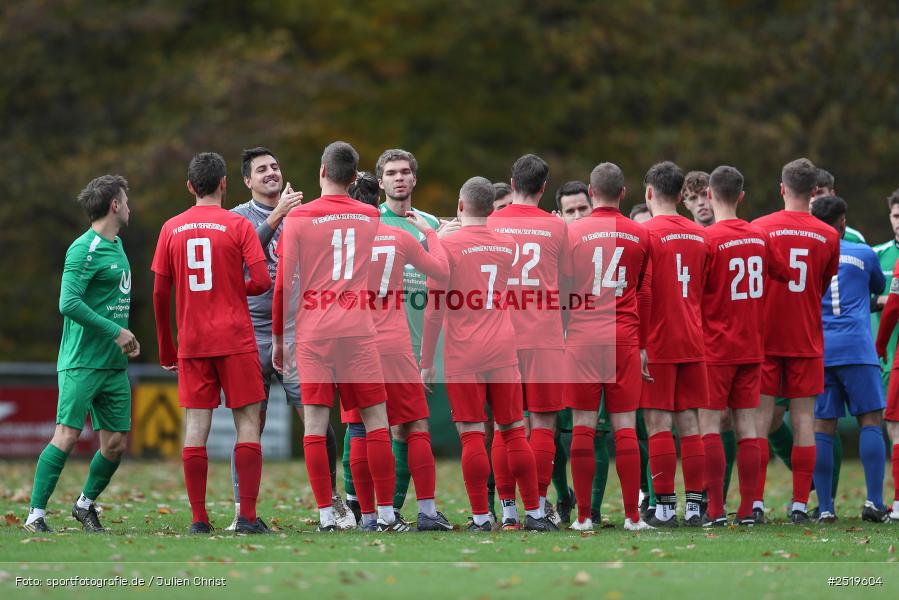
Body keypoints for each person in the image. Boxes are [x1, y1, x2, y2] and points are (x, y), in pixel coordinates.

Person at [273, 142, 403, 532]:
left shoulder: (298, 218)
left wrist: (280, 339)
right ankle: (383, 514)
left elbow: (283, 286)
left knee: (315, 424)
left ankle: (327, 515)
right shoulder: (369, 215)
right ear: (353, 177)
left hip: (313, 332)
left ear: (321, 172)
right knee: (376, 422)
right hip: (358, 331)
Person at [226, 147, 352, 531]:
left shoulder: (308, 214)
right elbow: (233, 265)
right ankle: (242, 511)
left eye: (275, 166)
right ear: (247, 181)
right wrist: (278, 215)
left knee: (316, 420)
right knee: (251, 426)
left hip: (299, 331)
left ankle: (332, 505)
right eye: (261, 169)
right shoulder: (236, 219)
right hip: (251, 331)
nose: (270, 172)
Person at [420, 176, 553, 532]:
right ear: (490, 209)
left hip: (464, 352)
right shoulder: (507, 243)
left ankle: (482, 517)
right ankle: (535, 514)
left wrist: (426, 360)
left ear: (461, 207)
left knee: (473, 435)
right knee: (514, 429)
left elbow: (434, 308)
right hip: (502, 346)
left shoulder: (447, 247)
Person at [152, 152, 271, 534]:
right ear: (224, 184)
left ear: (190, 186)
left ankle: (199, 520)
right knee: (248, 423)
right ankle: (247, 518)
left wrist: (166, 347)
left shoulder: (171, 228)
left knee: (195, 427)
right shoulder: (238, 224)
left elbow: (159, 292)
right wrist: (236, 287)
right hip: (236, 338)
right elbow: (262, 281)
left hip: (193, 341)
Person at [24, 175, 139, 534]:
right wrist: (116, 330)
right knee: (67, 435)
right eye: (126, 198)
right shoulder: (83, 248)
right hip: (82, 361)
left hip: (113, 365)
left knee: (116, 444)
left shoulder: (117, 244)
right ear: (114, 205)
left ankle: (84, 505)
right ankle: (35, 516)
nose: (129, 204)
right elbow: (68, 303)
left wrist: (123, 338)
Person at [342, 170, 453, 531]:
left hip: (353, 341)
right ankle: (426, 512)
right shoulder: (396, 237)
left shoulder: (340, 242)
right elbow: (440, 271)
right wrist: (431, 232)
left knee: (360, 429)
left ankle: (371, 516)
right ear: (378, 201)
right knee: (415, 426)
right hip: (394, 342)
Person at [564, 162, 654, 531]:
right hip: (623, 338)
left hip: (583, 339)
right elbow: (645, 292)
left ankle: (583, 517)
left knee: (582, 428)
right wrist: (644, 343)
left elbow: (564, 290)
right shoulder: (641, 233)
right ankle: (633, 516)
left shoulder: (572, 233)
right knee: (626, 428)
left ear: (590, 192)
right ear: (623, 193)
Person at [752, 158, 840, 524]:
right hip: (806, 337)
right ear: (815, 191)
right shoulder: (830, 235)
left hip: (767, 336)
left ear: (783, 188)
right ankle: (802, 504)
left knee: (757, 420)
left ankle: (753, 504)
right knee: (805, 419)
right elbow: (820, 284)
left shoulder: (759, 228)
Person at [488, 154, 567, 528]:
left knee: (506, 425)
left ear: (512, 182)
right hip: (545, 335)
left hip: (500, 336)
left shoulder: (491, 222)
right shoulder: (557, 226)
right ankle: (537, 507)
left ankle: (507, 510)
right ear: (544, 187)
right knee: (543, 425)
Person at [699, 166, 773, 526]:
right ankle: (748, 509)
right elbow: (778, 277)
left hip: (715, 347)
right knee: (747, 427)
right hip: (751, 345)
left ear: (710, 195)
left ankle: (714, 510)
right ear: (741, 197)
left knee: (710, 426)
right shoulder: (759, 237)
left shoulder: (709, 240)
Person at [640, 161, 711, 528]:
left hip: (657, 341)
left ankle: (665, 508)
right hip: (693, 339)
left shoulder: (646, 234)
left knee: (658, 425)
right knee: (690, 424)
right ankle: (696, 507)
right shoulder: (702, 235)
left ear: (650, 193)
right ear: (681, 193)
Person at [374, 149, 444, 517]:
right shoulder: (373, 222)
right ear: (382, 181)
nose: (399, 178)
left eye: (404, 172)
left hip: (423, 341)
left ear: (414, 179)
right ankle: (377, 509)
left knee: (408, 427)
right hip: (384, 340)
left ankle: (390, 511)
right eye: (391, 173)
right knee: (376, 426)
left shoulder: (431, 224)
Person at [810, 195, 888, 523]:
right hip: (857, 347)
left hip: (821, 350)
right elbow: (877, 289)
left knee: (822, 427)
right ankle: (873, 503)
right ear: (843, 222)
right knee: (870, 420)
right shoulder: (864, 253)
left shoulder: (808, 256)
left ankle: (825, 508)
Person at [871, 191, 899, 398]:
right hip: (888, 357)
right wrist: (885, 300)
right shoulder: (877, 254)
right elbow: (857, 298)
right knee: (888, 420)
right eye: (896, 216)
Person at [811, 169, 865, 243]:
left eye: (819, 193)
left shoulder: (854, 238)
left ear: (832, 194)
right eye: (808, 193)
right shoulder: (793, 231)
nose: (813, 199)